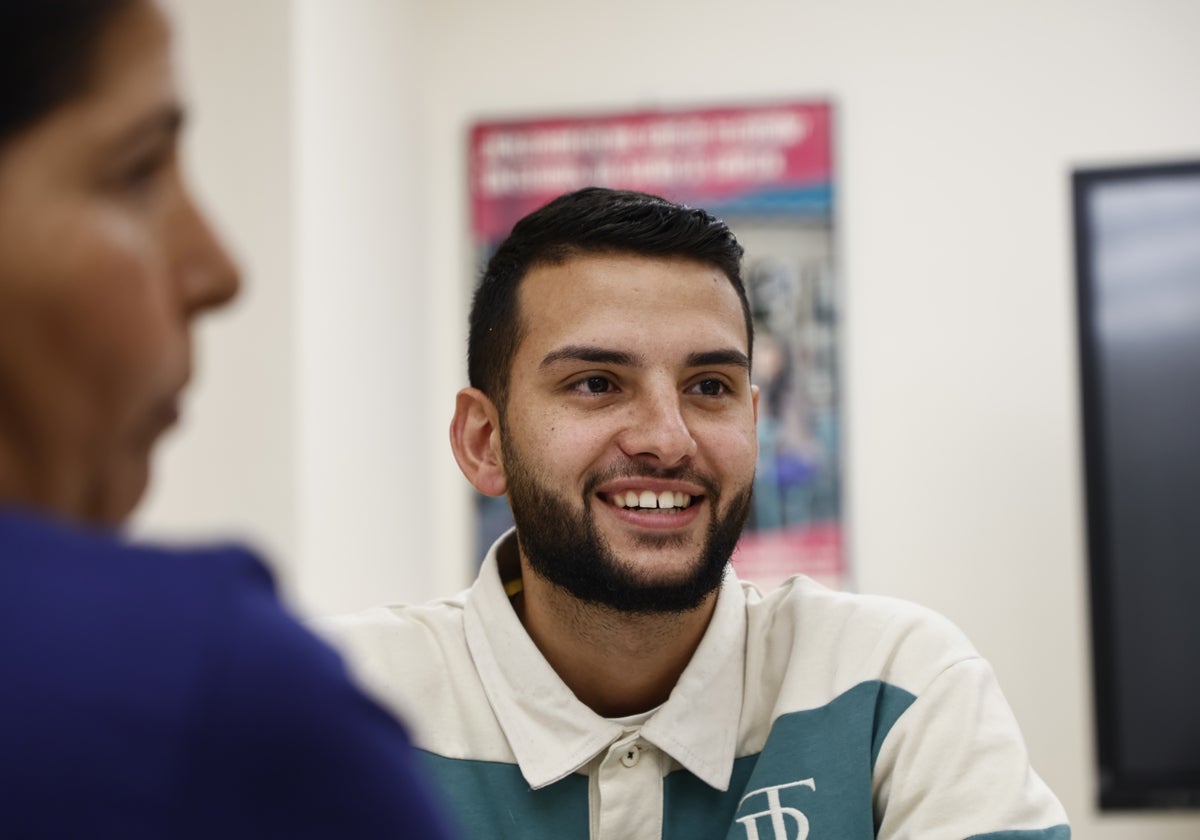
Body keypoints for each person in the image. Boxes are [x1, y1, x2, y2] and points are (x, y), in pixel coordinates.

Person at [323, 186, 1071, 839]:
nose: (667, 440)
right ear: (485, 441)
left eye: (708, 386)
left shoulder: (896, 688)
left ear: (752, 417)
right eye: (595, 383)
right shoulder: (336, 706)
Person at [0, 2, 453, 837]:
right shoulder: (202, 693)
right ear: (479, 438)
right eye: (136, 172)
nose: (219, 269)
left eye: (713, 385)